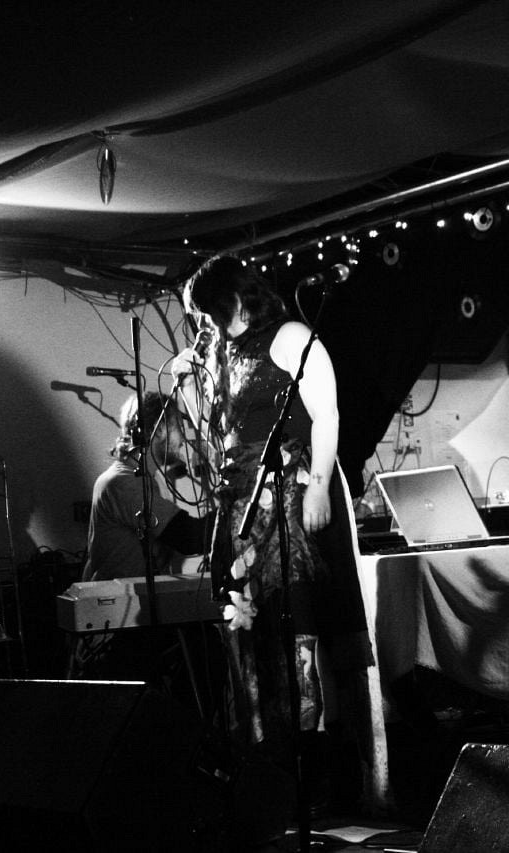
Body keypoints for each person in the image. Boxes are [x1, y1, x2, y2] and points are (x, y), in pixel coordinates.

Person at [178, 257, 378, 841]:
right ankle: (264, 779)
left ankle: (313, 777)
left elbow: (326, 413)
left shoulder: (289, 336)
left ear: (233, 300)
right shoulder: (221, 354)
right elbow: (215, 434)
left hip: (288, 498)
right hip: (240, 508)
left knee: (297, 633)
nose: (204, 325)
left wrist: (318, 486)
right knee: (249, 638)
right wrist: (190, 383)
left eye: (207, 313)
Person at [82, 391, 209, 581]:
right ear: (160, 429)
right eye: (179, 427)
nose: (183, 440)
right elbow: (188, 537)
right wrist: (240, 510)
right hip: (120, 598)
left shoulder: (144, 480)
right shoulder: (123, 482)